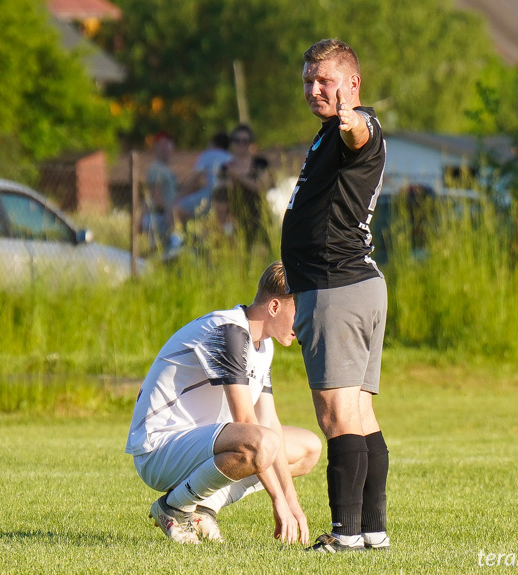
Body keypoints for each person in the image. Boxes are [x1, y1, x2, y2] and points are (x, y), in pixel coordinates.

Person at [280, 38, 391, 553]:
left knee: (336, 417)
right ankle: (372, 530)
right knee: (360, 416)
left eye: (324, 80)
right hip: (357, 285)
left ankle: (346, 534)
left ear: (352, 83)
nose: (314, 89)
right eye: (308, 80)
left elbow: (361, 134)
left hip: (336, 287)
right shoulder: (327, 133)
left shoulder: (355, 125)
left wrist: (351, 120)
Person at [125, 261, 321, 545]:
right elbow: (247, 423)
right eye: (300, 311)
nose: (305, 322)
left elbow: (269, 422)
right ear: (275, 307)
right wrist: (276, 500)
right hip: (159, 449)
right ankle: (174, 506)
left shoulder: (262, 344)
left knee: (308, 449)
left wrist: (292, 502)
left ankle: (203, 509)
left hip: (199, 445)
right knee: (260, 444)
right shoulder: (230, 332)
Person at [212, 124, 273, 249]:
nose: (241, 144)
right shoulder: (225, 168)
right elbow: (219, 194)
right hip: (233, 216)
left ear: (250, 143)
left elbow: (262, 187)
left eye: (245, 141)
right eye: (237, 140)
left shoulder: (260, 164)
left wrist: (238, 178)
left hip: (257, 215)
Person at [142, 131, 178, 249]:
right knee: (159, 250)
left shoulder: (166, 169)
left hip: (165, 217)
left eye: (167, 145)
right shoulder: (156, 169)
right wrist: (171, 211)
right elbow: (155, 195)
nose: (165, 149)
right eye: (161, 146)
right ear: (156, 148)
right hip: (158, 217)